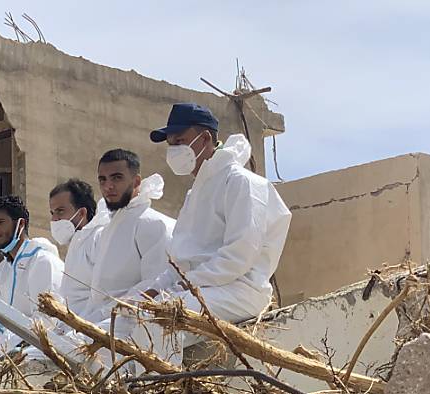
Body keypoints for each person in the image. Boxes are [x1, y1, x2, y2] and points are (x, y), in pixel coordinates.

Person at [135, 102, 292, 364]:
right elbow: (180, 260)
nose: (174, 150)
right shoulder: (194, 194)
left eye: (180, 141)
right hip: (201, 289)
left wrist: (186, 285)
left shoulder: (242, 182)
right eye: (171, 143)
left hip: (241, 289)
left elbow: (238, 256)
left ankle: (160, 387)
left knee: (160, 319)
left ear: (205, 138)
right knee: (132, 315)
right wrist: (154, 289)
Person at [82, 149, 175, 324]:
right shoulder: (109, 229)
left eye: (116, 178)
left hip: (131, 322)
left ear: (136, 181)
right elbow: (98, 296)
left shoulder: (152, 223)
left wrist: (108, 313)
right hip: (99, 320)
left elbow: (156, 284)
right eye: (103, 179)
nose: (108, 186)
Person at [0, 195, 64, 356]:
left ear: (20, 224)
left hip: (40, 353)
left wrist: (14, 348)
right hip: (6, 353)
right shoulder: (0, 272)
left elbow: (47, 320)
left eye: (0, 222)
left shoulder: (44, 261)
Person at [48, 178, 109, 318]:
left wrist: (81, 329)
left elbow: (102, 296)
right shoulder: (77, 242)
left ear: (82, 213)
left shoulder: (98, 238)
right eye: (52, 213)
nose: (54, 219)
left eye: (60, 211)